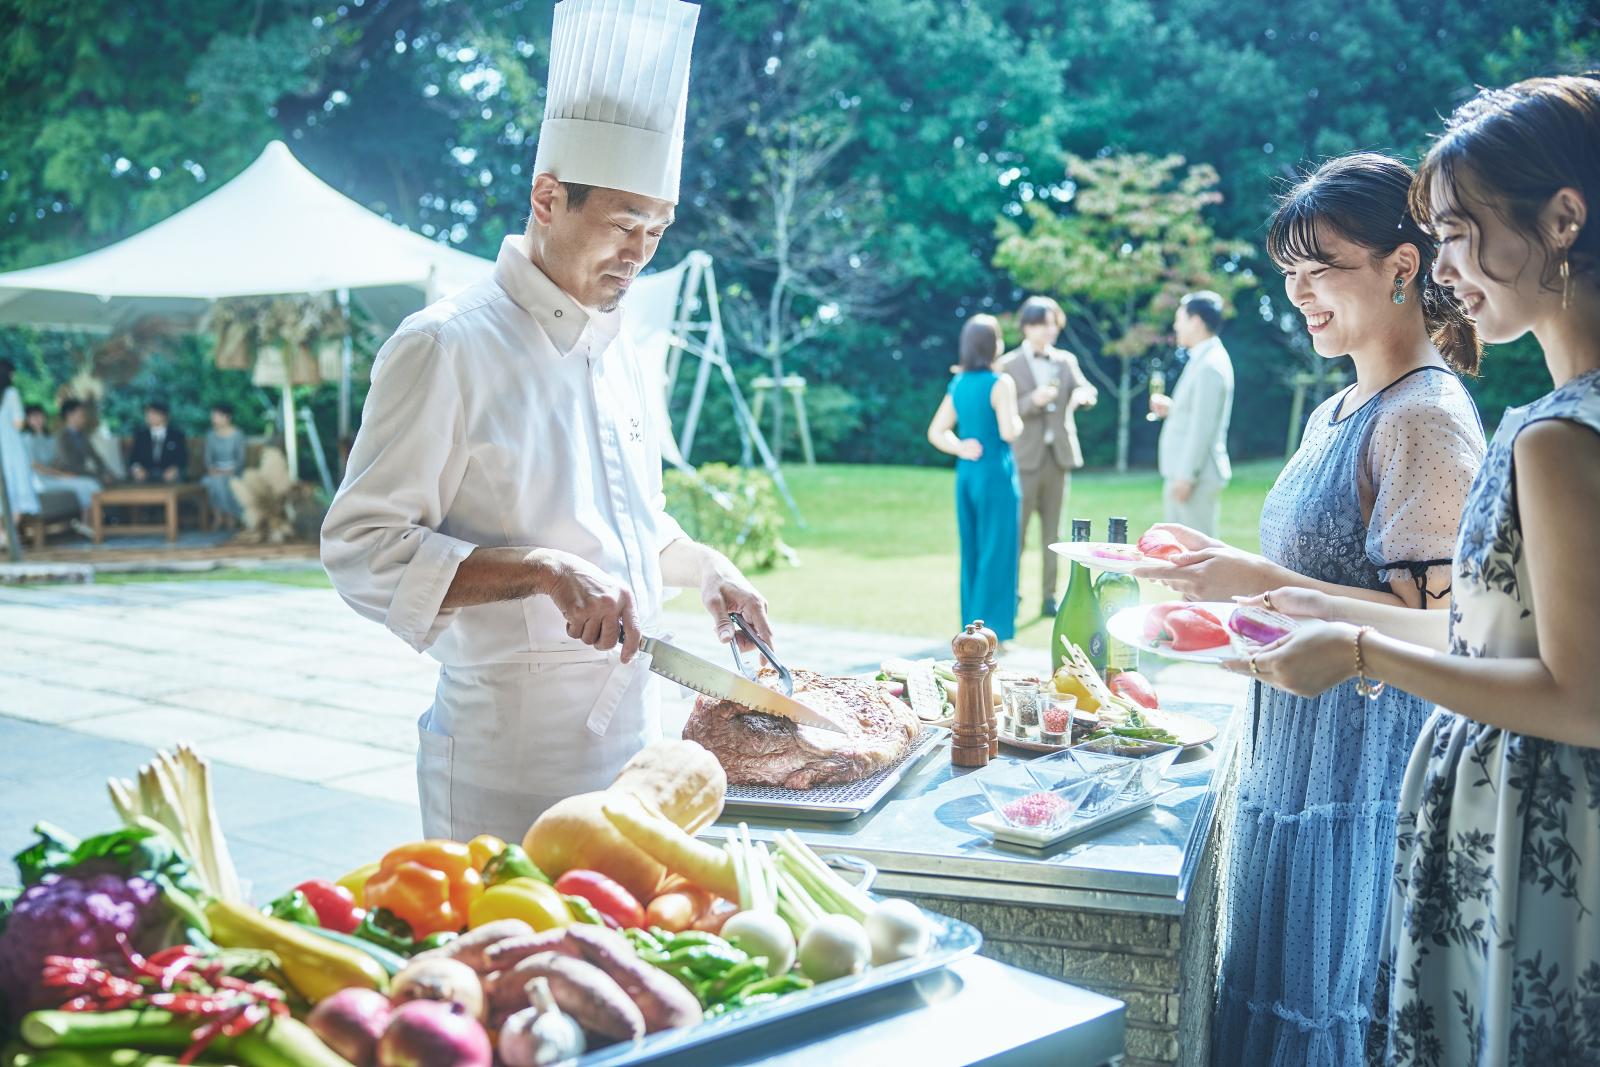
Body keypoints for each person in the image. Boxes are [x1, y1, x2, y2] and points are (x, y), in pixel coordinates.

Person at [323, 0, 772, 843]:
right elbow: (360, 546)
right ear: (548, 196)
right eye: (623, 224)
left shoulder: (625, 347)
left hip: (640, 756)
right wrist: (539, 570)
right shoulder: (444, 346)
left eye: (658, 229)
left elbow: (628, 529)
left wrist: (707, 565)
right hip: (507, 764)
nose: (640, 253)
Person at [1231, 76, 1600, 1066]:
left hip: (1534, 845)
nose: (1442, 264)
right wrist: (1274, 593)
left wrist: (1354, 646)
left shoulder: (1557, 436)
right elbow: (1481, 635)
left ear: (1563, 219)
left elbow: (1580, 696)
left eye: (1456, 231)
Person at [1132, 154, 1487, 1067]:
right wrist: (1229, 576)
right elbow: (1299, 578)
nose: (1298, 293)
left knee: (1332, 1013)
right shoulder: (1336, 407)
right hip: (1292, 753)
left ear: (1403, 266)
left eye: (1319, 268)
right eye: (1289, 274)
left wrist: (1248, 575)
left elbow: (1442, 623)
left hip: (1366, 777)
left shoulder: (1426, 416)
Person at [927, 314, 1024, 642]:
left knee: (972, 548)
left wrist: (960, 447)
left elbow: (936, 431)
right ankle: (992, 633)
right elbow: (1009, 430)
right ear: (995, 345)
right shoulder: (1001, 383)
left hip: (967, 474)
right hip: (996, 473)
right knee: (997, 550)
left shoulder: (959, 384)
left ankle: (969, 628)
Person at [999, 295, 1097, 616]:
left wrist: (1083, 395)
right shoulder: (1008, 365)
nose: (1049, 331)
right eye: (1042, 324)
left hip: (1059, 458)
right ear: (1027, 327)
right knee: (1017, 532)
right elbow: (1003, 408)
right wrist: (1032, 401)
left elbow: (1087, 389)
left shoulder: (1065, 361)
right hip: (1023, 459)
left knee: (1053, 534)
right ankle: (1011, 594)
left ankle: (1049, 597)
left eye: (1054, 325)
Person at [1149, 291, 1234, 535]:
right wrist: (1173, 409)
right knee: (1178, 555)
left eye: (1180, 319)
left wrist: (1186, 476)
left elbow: (1202, 427)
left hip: (1194, 476)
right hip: (1185, 473)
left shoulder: (1210, 365)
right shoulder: (1202, 359)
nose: (1176, 326)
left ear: (1195, 321)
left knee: (1194, 559)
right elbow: (1197, 413)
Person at [22, 404, 100, 529]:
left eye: (40, 416)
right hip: (41, 480)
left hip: (55, 476)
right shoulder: (27, 439)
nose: (37, 419)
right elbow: (36, 466)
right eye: (33, 417)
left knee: (90, 484)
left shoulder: (50, 439)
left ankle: (88, 522)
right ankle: (86, 523)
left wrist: (62, 472)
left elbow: (55, 461)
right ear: (27, 420)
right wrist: (62, 476)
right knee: (86, 485)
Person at [0, 359, 41, 521]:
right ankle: (7, 539)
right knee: (17, 494)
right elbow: (18, 423)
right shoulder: (11, 394)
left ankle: (3, 536)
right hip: (12, 449)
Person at [52, 399, 116, 487]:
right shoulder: (61, 438)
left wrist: (105, 472)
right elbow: (70, 465)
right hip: (68, 475)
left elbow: (96, 457)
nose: (84, 419)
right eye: (81, 415)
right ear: (69, 415)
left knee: (112, 479)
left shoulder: (82, 436)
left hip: (82, 474)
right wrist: (99, 475)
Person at [202, 403, 246, 530]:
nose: (213, 419)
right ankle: (220, 517)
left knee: (222, 481)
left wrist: (230, 470)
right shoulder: (210, 435)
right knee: (210, 481)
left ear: (227, 417)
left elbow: (241, 459)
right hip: (216, 471)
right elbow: (208, 458)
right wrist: (212, 469)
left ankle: (228, 516)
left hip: (234, 471)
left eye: (216, 416)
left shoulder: (238, 434)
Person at [127, 400, 187, 483]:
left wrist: (174, 469)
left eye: (154, 413)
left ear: (164, 415)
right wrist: (137, 469)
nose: (149, 416)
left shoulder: (176, 435)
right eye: (148, 413)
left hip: (169, 475)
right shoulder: (141, 436)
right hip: (145, 475)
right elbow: (133, 458)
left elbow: (182, 457)